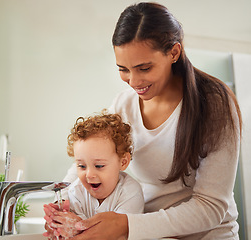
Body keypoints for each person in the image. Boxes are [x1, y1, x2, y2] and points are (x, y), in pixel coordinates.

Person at [44, 2, 242, 239]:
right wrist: (62, 201)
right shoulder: (124, 104)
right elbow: (88, 158)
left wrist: (127, 225)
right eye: (123, 69)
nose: (134, 81)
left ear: (174, 53)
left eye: (144, 68)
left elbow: (211, 206)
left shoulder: (214, 103)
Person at [43, 112, 145, 239]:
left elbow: (119, 234)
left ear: (123, 162)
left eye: (99, 166)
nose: (89, 175)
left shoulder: (130, 192)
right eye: (82, 166)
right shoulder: (77, 191)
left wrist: (76, 225)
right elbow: (73, 231)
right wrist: (59, 224)